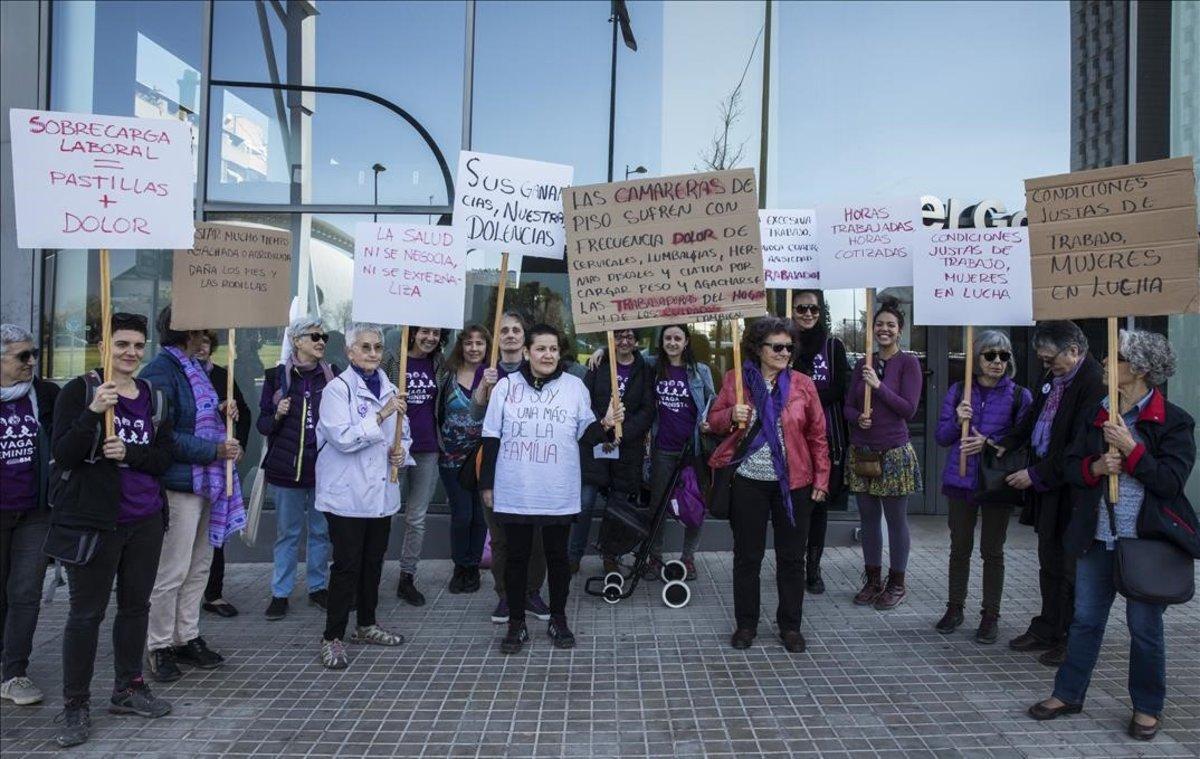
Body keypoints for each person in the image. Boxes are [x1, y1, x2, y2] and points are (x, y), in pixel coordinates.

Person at [1028, 329, 1198, 742]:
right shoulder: (1097, 412)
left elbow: (1172, 481)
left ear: (1139, 369)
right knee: (1085, 620)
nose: (1106, 363)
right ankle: (1068, 693)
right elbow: (1070, 466)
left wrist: (1132, 449)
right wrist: (1096, 468)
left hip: (1146, 543)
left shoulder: (1173, 420)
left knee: (1144, 628)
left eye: (1115, 357)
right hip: (1097, 538)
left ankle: (1147, 706)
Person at [49, 313, 174, 748]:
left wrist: (130, 453)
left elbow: (163, 459)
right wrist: (92, 413)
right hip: (95, 524)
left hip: (144, 520)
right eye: (122, 344)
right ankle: (75, 704)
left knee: (136, 607)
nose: (131, 353)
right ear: (105, 345)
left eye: (139, 346)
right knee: (86, 615)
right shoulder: (80, 391)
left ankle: (128, 687)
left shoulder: (154, 396)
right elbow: (63, 455)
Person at [479, 324, 624, 654]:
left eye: (553, 349)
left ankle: (559, 618)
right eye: (541, 349)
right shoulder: (505, 387)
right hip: (515, 488)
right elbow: (491, 436)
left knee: (558, 559)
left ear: (561, 353)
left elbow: (587, 435)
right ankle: (517, 624)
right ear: (528, 352)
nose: (547, 355)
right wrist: (487, 483)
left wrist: (606, 422)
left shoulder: (575, 387)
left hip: (558, 491)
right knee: (516, 559)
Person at [707, 317, 829, 652]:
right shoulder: (736, 380)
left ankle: (790, 626)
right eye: (777, 347)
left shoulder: (803, 384)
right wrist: (732, 414)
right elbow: (713, 423)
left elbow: (818, 435)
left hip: (795, 483)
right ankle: (746, 625)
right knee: (748, 557)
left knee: (792, 558)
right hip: (748, 481)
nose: (784, 352)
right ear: (759, 349)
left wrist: (822, 477)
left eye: (789, 347)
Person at [139, 307, 243, 683]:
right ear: (181, 333)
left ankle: (187, 635)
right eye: (200, 331)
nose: (205, 339)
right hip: (180, 484)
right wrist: (213, 450)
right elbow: (162, 433)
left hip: (205, 483)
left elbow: (195, 418)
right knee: (172, 569)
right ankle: (159, 645)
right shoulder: (161, 372)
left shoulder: (194, 369)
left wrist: (220, 414)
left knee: (199, 565)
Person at [999, 320, 1104, 667]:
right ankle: (1048, 626)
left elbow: (1079, 444)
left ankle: (1072, 636)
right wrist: (1006, 443)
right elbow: (1032, 419)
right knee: (1049, 560)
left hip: (1074, 487)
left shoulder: (1092, 383)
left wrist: (1036, 474)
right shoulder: (1055, 378)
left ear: (1073, 351)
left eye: (1049, 359)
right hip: (1047, 485)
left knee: (1071, 565)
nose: (1045, 366)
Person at [316, 323, 410, 669]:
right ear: (350, 352)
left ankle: (366, 624)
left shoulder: (391, 388)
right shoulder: (337, 391)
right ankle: (333, 637)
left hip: (381, 494)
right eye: (365, 347)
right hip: (347, 495)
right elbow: (342, 437)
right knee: (347, 566)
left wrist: (402, 452)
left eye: (377, 348)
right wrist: (382, 413)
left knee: (373, 563)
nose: (373, 354)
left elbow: (404, 434)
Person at [933, 330, 1032, 643]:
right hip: (960, 480)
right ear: (977, 358)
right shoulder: (960, 390)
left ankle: (990, 614)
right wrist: (956, 419)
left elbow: (1024, 439)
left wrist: (988, 443)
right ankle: (954, 607)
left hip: (995, 483)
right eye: (990, 355)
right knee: (959, 547)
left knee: (993, 550)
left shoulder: (1020, 396)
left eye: (1004, 356)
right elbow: (941, 437)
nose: (997, 362)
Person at [844, 297, 923, 610]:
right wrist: (856, 417)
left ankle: (897, 583)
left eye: (891, 325)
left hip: (893, 451)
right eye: (879, 325)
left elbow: (909, 409)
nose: (884, 329)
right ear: (872, 329)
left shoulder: (908, 363)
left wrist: (878, 386)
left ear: (899, 330)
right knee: (868, 519)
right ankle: (873, 579)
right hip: (863, 450)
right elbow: (848, 405)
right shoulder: (863, 363)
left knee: (895, 520)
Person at [258, 317, 337, 621]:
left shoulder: (333, 376)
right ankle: (280, 593)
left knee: (320, 532)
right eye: (314, 336)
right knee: (287, 534)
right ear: (296, 341)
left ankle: (318, 588)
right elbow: (263, 425)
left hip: (323, 471)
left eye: (324, 337)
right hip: (286, 471)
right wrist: (276, 414)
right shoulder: (276, 377)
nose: (321, 342)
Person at [476, 311, 550, 623]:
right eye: (503, 330)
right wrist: (483, 388)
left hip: (533, 467)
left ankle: (532, 592)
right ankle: (506, 595)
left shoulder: (540, 370)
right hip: (494, 467)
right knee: (502, 537)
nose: (509, 334)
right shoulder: (488, 372)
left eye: (516, 330)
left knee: (535, 537)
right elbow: (475, 415)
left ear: (524, 339)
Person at [0, 324, 58, 706]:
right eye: (23, 356)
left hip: (35, 511)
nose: (32, 361)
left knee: (25, 593)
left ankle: (14, 673)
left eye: (33, 353)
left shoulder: (46, 394)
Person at [571, 327, 656, 575]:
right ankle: (574, 555)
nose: (624, 341)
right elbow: (583, 402)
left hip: (627, 450)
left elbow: (648, 410)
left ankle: (610, 556)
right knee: (584, 503)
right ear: (611, 339)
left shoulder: (646, 370)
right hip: (596, 444)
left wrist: (623, 433)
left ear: (638, 342)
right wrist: (603, 426)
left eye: (630, 336)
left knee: (617, 508)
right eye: (619, 336)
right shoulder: (598, 365)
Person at [790, 290, 850, 594]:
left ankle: (813, 569)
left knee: (819, 504)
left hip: (826, 438)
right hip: (792, 438)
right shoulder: (784, 344)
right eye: (801, 308)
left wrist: (810, 400)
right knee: (796, 505)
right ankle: (794, 566)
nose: (808, 314)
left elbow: (842, 386)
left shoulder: (833, 346)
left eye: (813, 309)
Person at [646, 325, 715, 580]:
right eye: (668, 338)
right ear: (661, 341)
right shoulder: (651, 366)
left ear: (686, 342)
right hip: (663, 449)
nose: (672, 342)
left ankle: (688, 558)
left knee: (695, 506)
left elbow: (714, 404)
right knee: (658, 507)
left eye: (677, 338)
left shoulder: (700, 372)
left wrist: (710, 422)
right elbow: (623, 355)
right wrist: (600, 351)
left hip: (693, 450)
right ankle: (654, 557)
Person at [194, 330, 251, 619]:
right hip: (188, 468)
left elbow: (245, 413)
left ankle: (213, 594)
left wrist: (238, 443)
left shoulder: (222, 376)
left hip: (218, 468)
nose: (202, 348)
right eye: (196, 342)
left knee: (214, 533)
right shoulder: (176, 375)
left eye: (206, 342)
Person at [394, 326, 445, 607]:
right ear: (412, 333)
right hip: (395, 449)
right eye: (425, 332)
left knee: (417, 518)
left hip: (427, 449)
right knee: (384, 514)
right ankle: (369, 574)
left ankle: (407, 577)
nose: (430, 337)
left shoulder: (438, 363)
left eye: (436, 333)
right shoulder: (394, 360)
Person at [439, 325, 492, 594]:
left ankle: (473, 569)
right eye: (469, 342)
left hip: (482, 459)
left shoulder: (493, 376)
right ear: (461, 346)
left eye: (479, 343)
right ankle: (460, 566)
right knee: (462, 516)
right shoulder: (446, 375)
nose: (474, 348)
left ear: (487, 346)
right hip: (451, 459)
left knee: (480, 518)